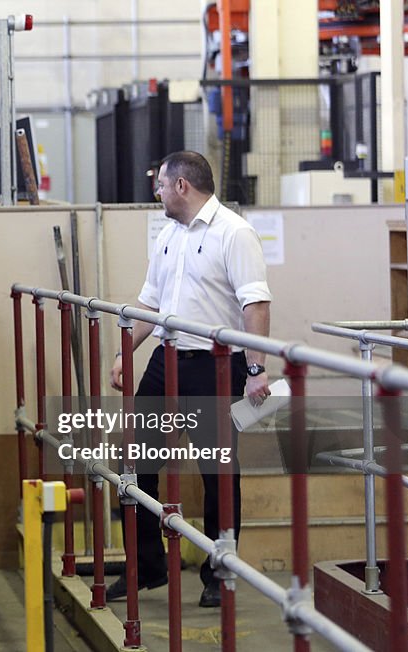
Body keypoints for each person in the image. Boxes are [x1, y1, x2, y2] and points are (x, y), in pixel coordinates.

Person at [107, 151, 272, 608]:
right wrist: (127, 353)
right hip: (168, 359)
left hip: (215, 364)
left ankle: (220, 572)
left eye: (160, 183)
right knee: (135, 460)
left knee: (217, 472)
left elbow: (255, 305)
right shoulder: (169, 235)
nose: (156, 191)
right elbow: (151, 301)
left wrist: (256, 369)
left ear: (181, 186)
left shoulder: (234, 233)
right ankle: (147, 566)